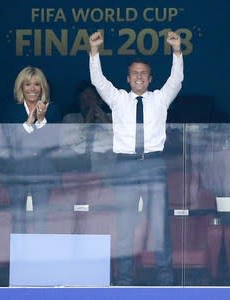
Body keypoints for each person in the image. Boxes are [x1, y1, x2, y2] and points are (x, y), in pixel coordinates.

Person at [88, 30, 183, 285]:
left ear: (150, 79)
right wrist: (94, 52)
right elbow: (98, 81)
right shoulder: (118, 99)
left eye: (144, 73)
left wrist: (176, 51)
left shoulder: (160, 99)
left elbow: (176, 81)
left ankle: (165, 279)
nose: (139, 77)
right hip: (125, 165)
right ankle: (125, 280)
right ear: (128, 78)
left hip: (153, 163)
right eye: (135, 73)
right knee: (125, 227)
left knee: (159, 225)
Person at [4, 66, 60, 233]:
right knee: (18, 221)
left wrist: (41, 120)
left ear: (42, 87)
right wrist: (28, 123)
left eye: (37, 84)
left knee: (41, 221)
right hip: (17, 173)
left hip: (42, 173)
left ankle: (39, 257)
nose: (32, 89)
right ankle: (19, 257)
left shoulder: (54, 110)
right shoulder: (11, 111)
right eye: (27, 84)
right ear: (21, 87)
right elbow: (10, 144)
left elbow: (54, 143)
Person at [61, 81, 113, 172]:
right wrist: (86, 124)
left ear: (100, 101)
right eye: (82, 100)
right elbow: (65, 147)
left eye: (90, 98)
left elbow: (124, 143)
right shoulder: (71, 119)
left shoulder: (112, 118)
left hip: (107, 175)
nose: (86, 103)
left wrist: (105, 120)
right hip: (77, 175)